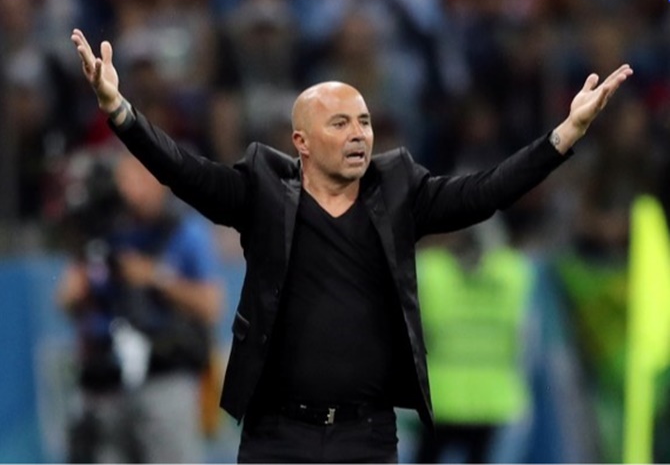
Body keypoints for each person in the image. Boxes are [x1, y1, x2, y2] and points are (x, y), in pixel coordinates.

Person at [70, 27, 632, 463]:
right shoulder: (260, 194)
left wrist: (563, 137)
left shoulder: (400, 194)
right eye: (340, 124)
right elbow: (181, 170)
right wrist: (121, 112)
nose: (359, 134)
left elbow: (485, 193)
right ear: (302, 143)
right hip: (276, 438)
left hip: (366, 438)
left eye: (363, 122)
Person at [57, 148, 223, 463]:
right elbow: (66, 299)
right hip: (105, 385)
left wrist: (155, 278)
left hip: (165, 377)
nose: (132, 187)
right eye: (126, 177)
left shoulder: (184, 231)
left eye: (142, 177)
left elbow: (212, 306)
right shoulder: (105, 233)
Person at [413, 222, 536, 463]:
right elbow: (526, 337)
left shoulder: (429, 271)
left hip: (442, 396)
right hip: (493, 397)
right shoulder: (516, 273)